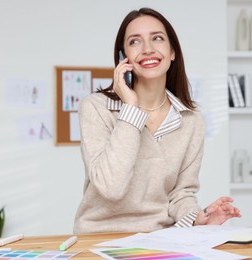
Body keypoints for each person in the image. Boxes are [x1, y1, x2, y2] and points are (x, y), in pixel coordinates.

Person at [73, 7, 241, 234]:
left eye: (157, 38)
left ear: (172, 52)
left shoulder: (190, 120)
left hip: (161, 239)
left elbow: (180, 194)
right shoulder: (96, 108)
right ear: (124, 58)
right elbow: (111, 188)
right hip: (99, 237)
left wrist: (198, 219)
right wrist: (130, 109)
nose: (147, 49)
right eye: (134, 42)